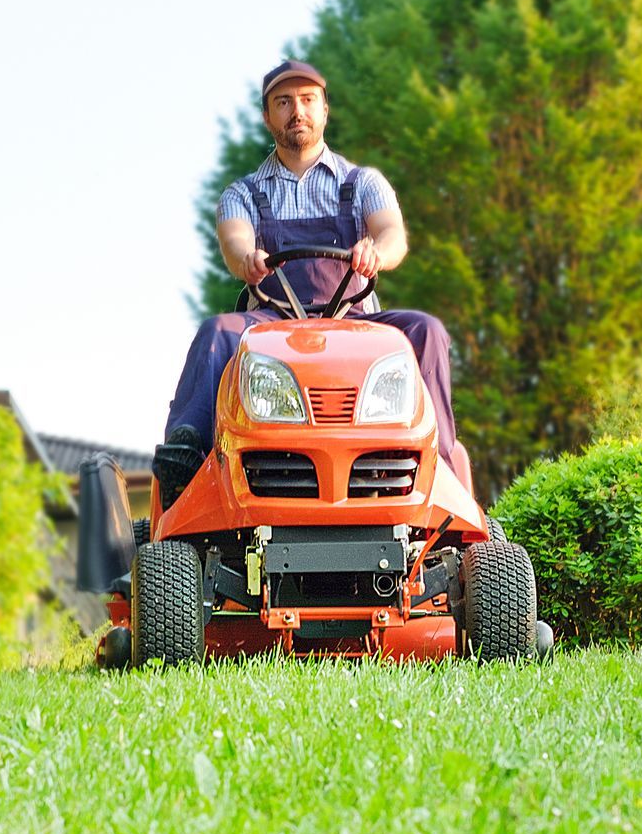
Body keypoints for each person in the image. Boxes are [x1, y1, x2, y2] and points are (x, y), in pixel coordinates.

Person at [156, 59, 460, 505]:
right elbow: (235, 238)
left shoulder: (362, 184)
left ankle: (441, 466)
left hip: (356, 322)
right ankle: (189, 456)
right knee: (218, 331)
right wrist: (247, 258)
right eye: (283, 103)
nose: (296, 111)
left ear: (323, 110)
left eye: (306, 100)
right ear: (268, 117)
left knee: (426, 330)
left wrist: (377, 252)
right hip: (271, 323)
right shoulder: (242, 194)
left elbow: (392, 233)